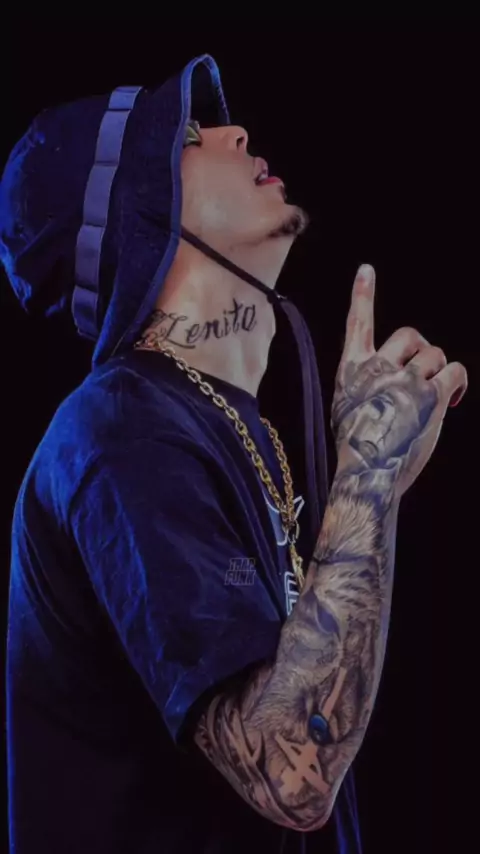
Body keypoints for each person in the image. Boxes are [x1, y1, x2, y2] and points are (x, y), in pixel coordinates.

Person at [1, 55, 467, 854]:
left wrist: (374, 486)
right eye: (187, 136)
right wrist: (368, 476)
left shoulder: (228, 426)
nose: (235, 132)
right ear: (135, 210)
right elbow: (291, 775)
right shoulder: (120, 435)